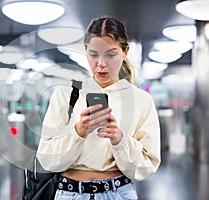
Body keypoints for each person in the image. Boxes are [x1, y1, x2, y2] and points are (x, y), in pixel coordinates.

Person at [36, 16, 161, 200]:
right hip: (70, 193)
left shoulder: (141, 100)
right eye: (93, 54)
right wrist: (78, 133)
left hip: (119, 193)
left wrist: (119, 139)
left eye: (110, 54)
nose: (101, 64)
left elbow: (146, 166)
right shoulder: (66, 94)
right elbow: (47, 159)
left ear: (125, 51)